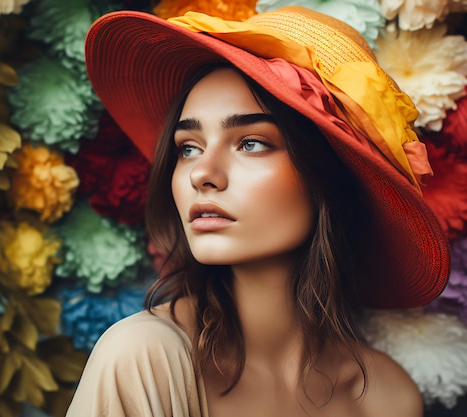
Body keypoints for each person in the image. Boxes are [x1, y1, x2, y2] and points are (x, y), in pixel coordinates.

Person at [67, 6, 450, 417]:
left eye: (250, 142)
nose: (202, 174)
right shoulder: (143, 357)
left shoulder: (387, 397)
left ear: (332, 174)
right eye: (188, 147)